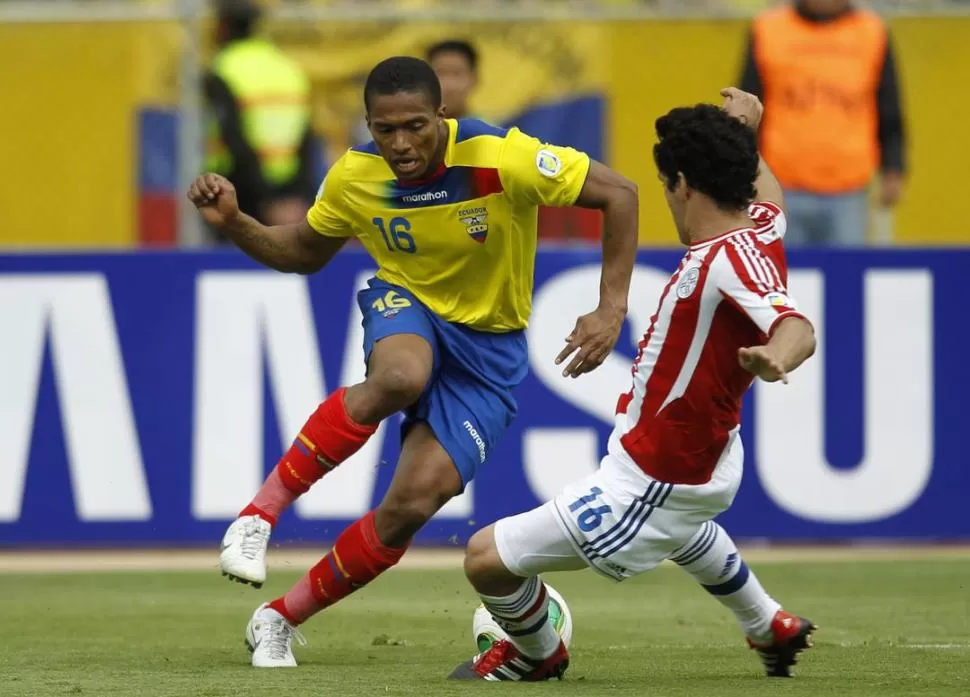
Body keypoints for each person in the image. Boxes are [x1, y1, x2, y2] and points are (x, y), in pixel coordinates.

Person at [187, 56, 639, 668]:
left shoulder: (501, 156)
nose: (400, 143)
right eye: (385, 128)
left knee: (408, 510)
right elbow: (303, 251)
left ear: (442, 116)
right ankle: (256, 518)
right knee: (400, 376)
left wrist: (611, 307)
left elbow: (621, 194)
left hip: (488, 356)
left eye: (415, 126)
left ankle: (277, 619)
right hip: (409, 305)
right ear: (369, 124)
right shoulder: (355, 176)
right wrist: (238, 223)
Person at [448, 88, 818, 682]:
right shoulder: (758, 227)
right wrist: (745, 138)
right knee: (683, 530)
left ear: (682, 186)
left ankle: (536, 654)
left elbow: (796, 324)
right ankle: (768, 623)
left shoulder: (729, 258)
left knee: (486, 559)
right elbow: (772, 197)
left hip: (657, 472)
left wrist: (777, 355)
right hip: (696, 456)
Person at [739, 0, 906, 246]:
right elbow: (747, 109)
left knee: (844, 276)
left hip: (848, 188)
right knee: (779, 275)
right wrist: (741, 172)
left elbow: (888, 105)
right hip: (779, 186)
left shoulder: (871, 31)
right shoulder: (769, 29)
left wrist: (894, 167)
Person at [204, 0, 315, 240]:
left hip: (238, 192)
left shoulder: (224, 68)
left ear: (222, 26)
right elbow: (307, 138)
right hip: (288, 196)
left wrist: (264, 200)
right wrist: (297, 196)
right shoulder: (288, 67)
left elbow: (235, 140)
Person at [427, 39, 479, 120]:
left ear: (474, 79)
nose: (449, 85)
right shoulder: (414, 130)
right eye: (441, 73)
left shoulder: (489, 131)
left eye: (457, 73)